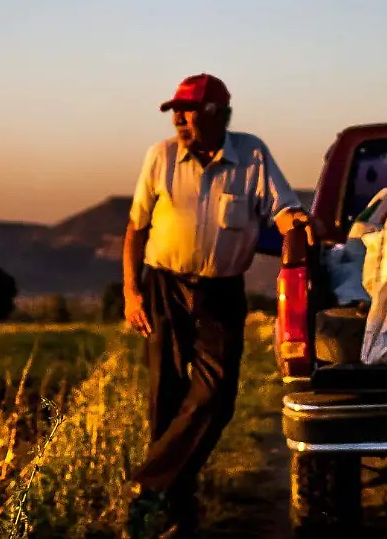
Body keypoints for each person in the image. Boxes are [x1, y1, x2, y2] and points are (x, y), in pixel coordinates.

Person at [124, 73, 310, 537]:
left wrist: (296, 224)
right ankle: (173, 516)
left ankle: (148, 485)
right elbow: (136, 229)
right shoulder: (160, 157)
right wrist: (131, 292)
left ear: (218, 115)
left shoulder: (252, 154)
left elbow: (282, 208)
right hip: (163, 286)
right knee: (165, 399)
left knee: (217, 396)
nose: (180, 120)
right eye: (176, 112)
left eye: (189, 111)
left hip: (222, 291)